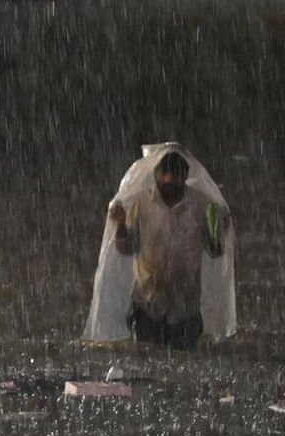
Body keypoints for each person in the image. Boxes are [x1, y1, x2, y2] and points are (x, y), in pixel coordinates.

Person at [84, 144, 236, 349]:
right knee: (148, 361)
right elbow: (126, 248)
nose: (169, 190)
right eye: (164, 183)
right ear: (156, 177)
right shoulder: (142, 203)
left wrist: (220, 231)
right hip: (147, 304)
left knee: (184, 363)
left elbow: (214, 251)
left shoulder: (201, 205)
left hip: (185, 308)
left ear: (185, 179)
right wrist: (120, 224)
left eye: (174, 185)